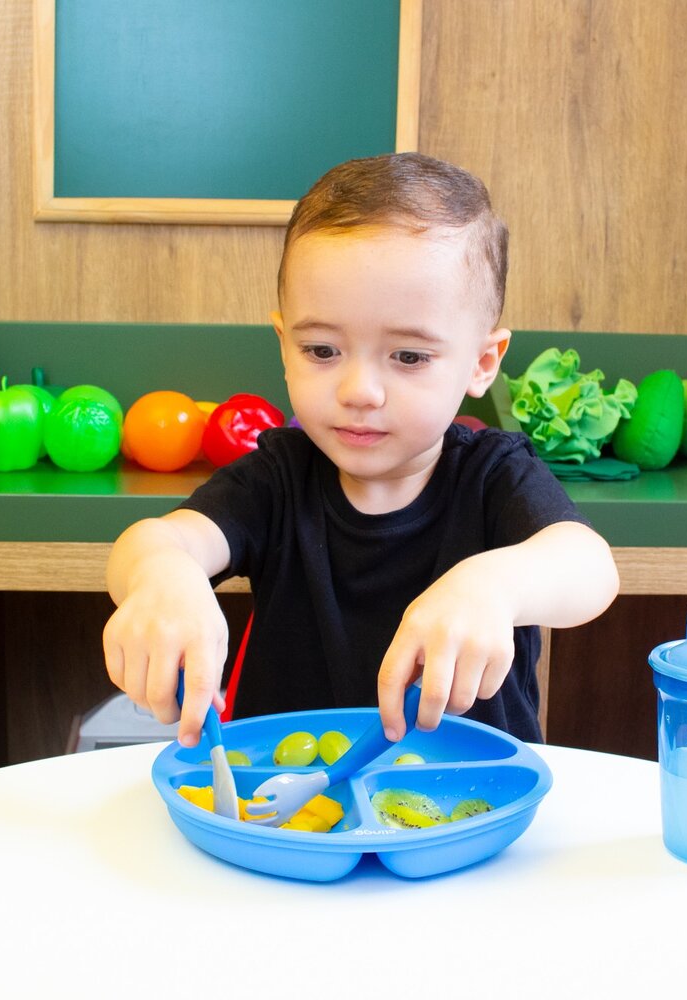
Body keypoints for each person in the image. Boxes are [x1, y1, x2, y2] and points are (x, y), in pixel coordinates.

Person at [103, 152, 619, 750]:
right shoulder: (278, 478)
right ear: (284, 344)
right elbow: (154, 542)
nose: (359, 392)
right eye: (322, 351)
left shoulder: (493, 475)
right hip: (286, 815)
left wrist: (494, 587)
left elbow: (589, 567)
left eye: (408, 357)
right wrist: (164, 575)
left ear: (482, 363)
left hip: (465, 814)